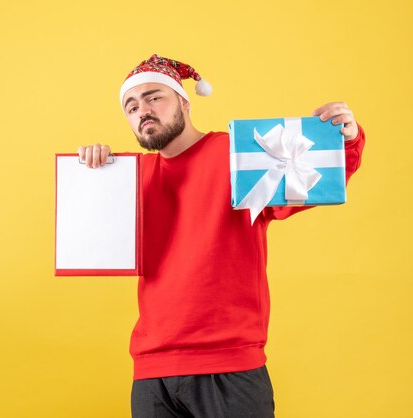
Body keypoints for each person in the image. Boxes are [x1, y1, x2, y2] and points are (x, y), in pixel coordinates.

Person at [78, 54, 366, 418]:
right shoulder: (128, 177)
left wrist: (348, 138)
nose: (143, 111)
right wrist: (91, 172)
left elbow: (314, 177)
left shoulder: (236, 155)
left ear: (184, 101)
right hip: (152, 373)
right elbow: (91, 234)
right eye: (131, 106)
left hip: (229, 366)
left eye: (154, 97)